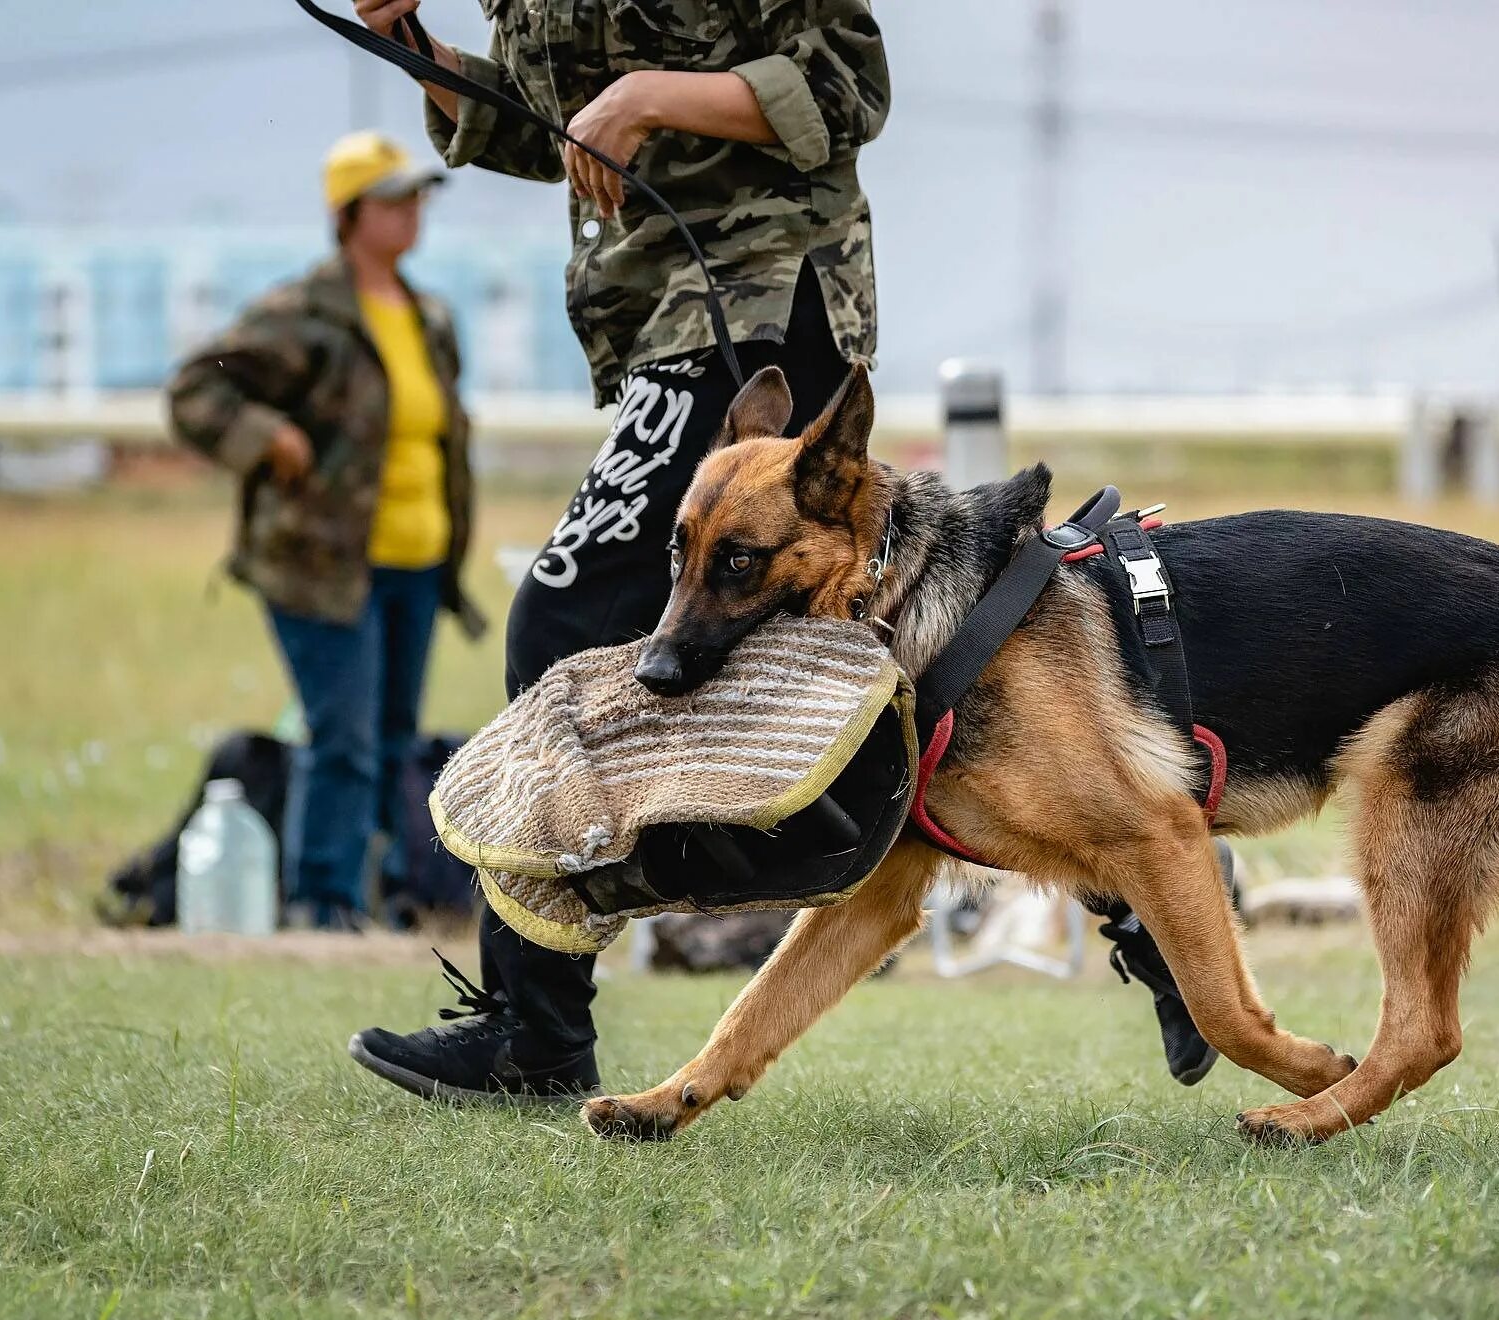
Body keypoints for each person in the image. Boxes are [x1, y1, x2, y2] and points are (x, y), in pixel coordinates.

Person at [343, 0, 1217, 1105]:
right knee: (885, 654)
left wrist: (646, 94)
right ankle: (1147, 890)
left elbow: (848, 84)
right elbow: (549, 131)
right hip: (654, 306)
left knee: (563, 611)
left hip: (766, 289)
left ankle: (537, 1030)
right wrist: (411, 45)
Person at [167, 131, 485, 933]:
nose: (413, 212)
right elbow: (195, 393)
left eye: (417, 197)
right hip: (321, 565)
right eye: (394, 198)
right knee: (341, 736)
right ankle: (321, 900)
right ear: (349, 215)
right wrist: (265, 437)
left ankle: (379, 890)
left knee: (392, 739)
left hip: (414, 563)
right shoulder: (303, 313)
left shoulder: (429, 315)